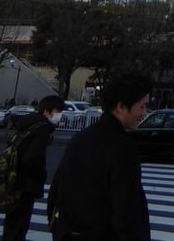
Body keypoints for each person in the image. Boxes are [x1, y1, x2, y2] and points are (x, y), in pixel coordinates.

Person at [47, 71, 153, 240]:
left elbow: (57, 191)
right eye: (141, 106)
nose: (144, 113)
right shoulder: (123, 148)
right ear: (121, 107)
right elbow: (126, 212)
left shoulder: (80, 138)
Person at [0, 94, 66, 241]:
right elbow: (32, 158)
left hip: (14, 179)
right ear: (47, 111)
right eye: (58, 111)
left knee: (12, 223)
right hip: (26, 183)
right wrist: (41, 175)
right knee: (20, 225)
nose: (59, 115)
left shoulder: (27, 124)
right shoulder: (42, 129)